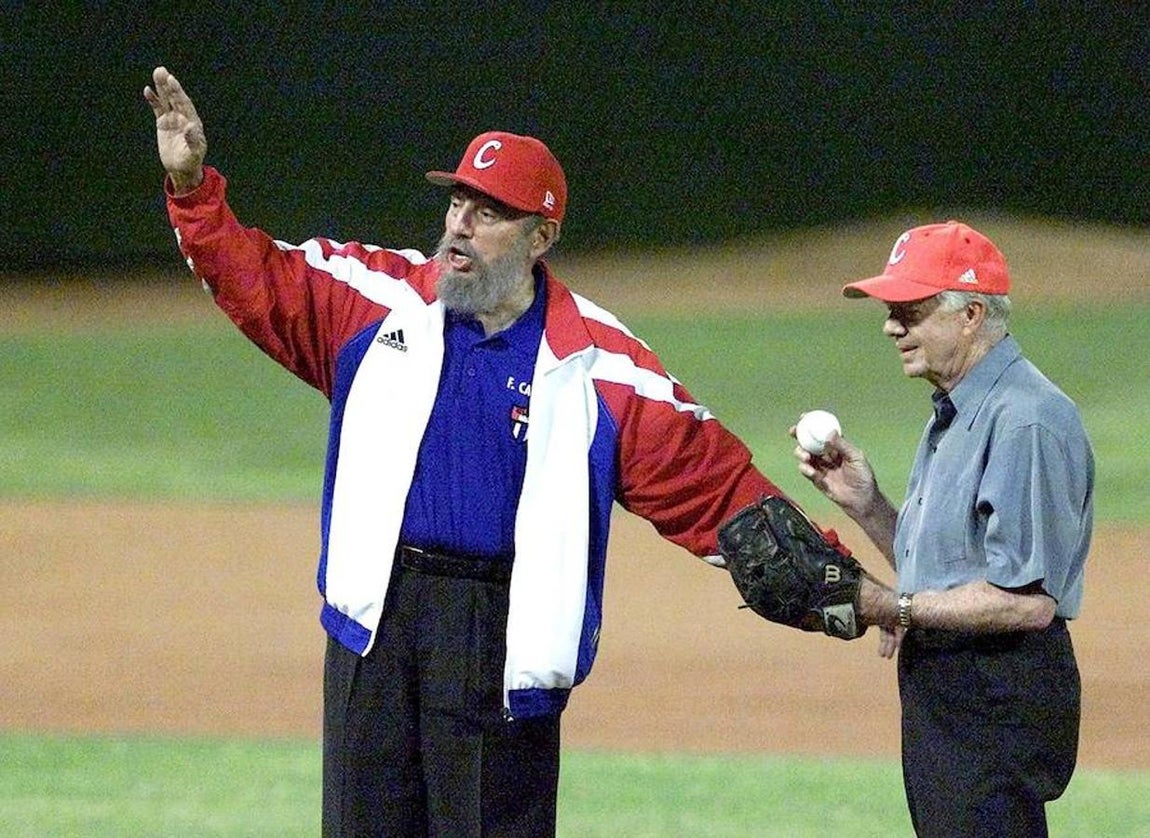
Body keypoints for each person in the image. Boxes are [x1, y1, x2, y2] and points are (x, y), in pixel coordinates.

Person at [143, 66, 841, 837]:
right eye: (458, 202)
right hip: (373, 627)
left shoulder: (597, 367)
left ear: (541, 238)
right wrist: (192, 186)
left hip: (498, 639)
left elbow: (716, 488)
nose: (461, 226)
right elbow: (259, 278)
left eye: (492, 212)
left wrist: (846, 589)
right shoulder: (376, 306)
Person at [798, 220, 1093, 836]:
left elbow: (1025, 603)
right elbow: (956, 565)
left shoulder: (1024, 421)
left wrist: (891, 606)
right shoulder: (958, 409)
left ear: (970, 315)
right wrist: (868, 505)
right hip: (958, 681)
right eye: (890, 309)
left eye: (909, 309)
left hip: (995, 688)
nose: (890, 325)